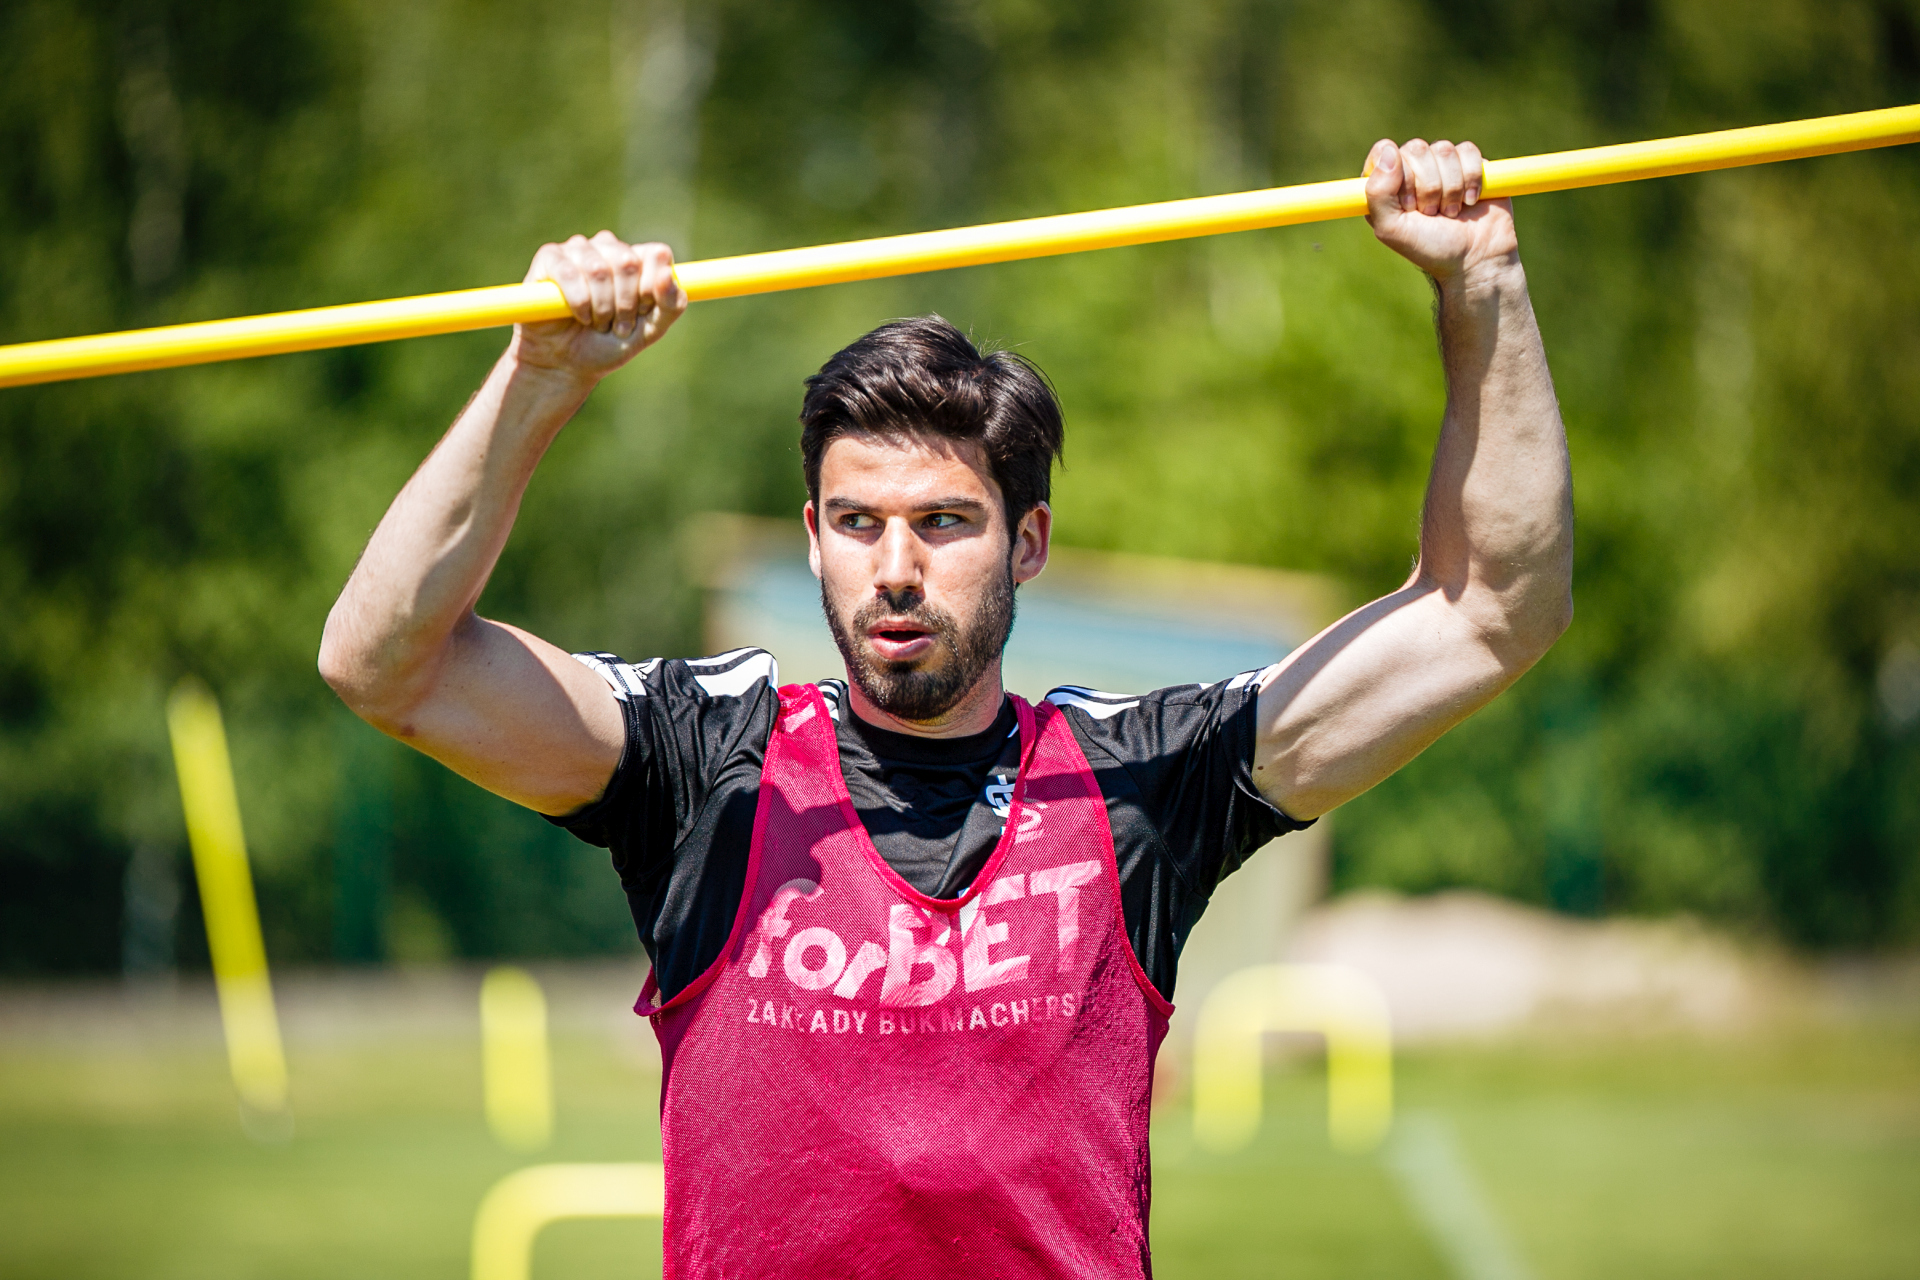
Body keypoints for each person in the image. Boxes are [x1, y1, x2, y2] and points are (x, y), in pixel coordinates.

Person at [320, 137, 1570, 1279]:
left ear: (1028, 542)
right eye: (857, 522)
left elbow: (1492, 610)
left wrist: (1484, 287)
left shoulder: (1138, 776)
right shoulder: (708, 759)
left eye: (944, 520)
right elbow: (383, 663)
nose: (897, 566)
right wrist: (538, 376)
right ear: (814, 538)